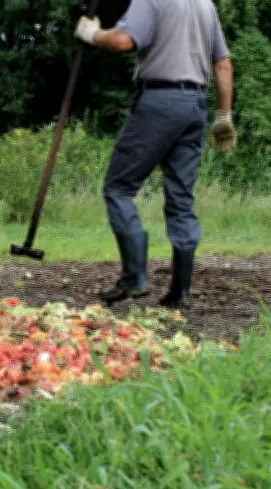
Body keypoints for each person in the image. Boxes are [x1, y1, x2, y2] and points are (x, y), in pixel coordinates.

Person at [74, 0, 236, 309]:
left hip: (159, 102)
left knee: (119, 188)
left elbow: (124, 40)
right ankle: (180, 291)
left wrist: (92, 34)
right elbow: (223, 63)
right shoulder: (205, 5)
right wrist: (224, 115)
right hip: (195, 107)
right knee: (181, 200)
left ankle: (134, 277)